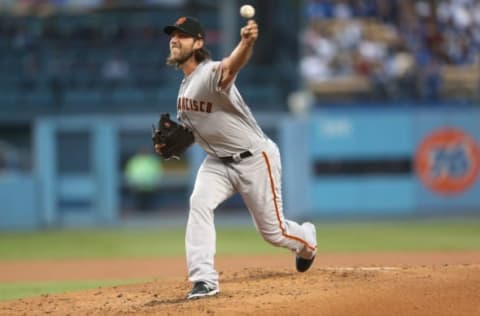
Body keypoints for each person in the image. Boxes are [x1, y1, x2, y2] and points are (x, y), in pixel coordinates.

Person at [158, 16, 317, 300]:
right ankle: (203, 280)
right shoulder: (184, 87)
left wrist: (245, 42)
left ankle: (306, 240)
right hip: (218, 162)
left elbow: (231, 66)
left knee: (274, 233)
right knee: (199, 203)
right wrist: (175, 141)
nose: (174, 39)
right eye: (173, 35)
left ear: (198, 43)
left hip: (254, 158)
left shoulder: (209, 73)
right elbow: (201, 130)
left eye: (182, 36)